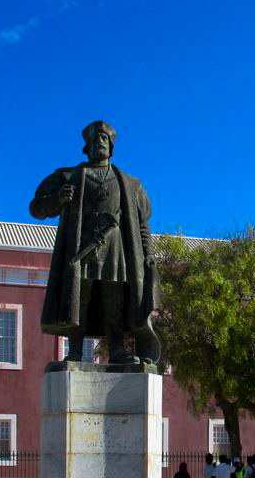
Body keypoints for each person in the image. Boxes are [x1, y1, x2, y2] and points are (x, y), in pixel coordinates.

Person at [30, 120, 161, 367]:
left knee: (115, 301)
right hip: (82, 249)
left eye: (104, 139)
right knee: (78, 298)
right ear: (86, 146)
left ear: (111, 146)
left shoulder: (131, 184)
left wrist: (149, 253)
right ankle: (75, 351)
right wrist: (58, 200)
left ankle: (119, 350)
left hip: (116, 252)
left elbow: (143, 224)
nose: (99, 143)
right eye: (95, 139)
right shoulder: (68, 176)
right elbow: (36, 207)